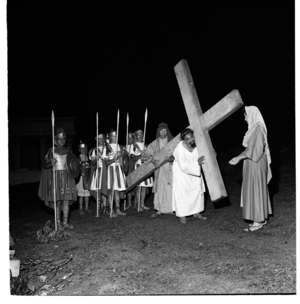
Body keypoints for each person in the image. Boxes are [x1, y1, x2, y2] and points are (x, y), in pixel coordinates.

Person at [229, 106, 272, 232]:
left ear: (252, 115)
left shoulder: (258, 128)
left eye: (245, 115)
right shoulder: (255, 128)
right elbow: (251, 148)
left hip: (256, 163)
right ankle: (260, 219)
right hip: (253, 162)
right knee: (256, 188)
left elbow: (255, 151)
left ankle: (257, 221)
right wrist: (240, 157)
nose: (245, 119)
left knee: (256, 189)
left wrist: (238, 158)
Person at [38, 128, 77, 229]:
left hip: (67, 178)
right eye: (59, 138)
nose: (62, 140)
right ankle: (58, 223)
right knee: (58, 201)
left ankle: (65, 223)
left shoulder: (69, 150)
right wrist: (50, 163)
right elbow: (45, 166)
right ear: (55, 140)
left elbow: (73, 164)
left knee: (66, 201)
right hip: (56, 179)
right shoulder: (52, 150)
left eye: (64, 138)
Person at [172, 128, 206, 224]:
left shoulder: (197, 145)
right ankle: (182, 215)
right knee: (183, 194)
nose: (191, 140)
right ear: (183, 140)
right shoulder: (179, 148)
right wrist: (196, 163)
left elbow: (203, 155)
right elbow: (183, 166)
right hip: (182, 174)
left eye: (191, 137)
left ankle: (196, 212)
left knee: (196, 191)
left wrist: (211, 154)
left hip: (194, 172)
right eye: (187, 139)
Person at [144, 122, 174, 217]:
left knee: (171, 187)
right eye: (161, 131)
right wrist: (153, 161)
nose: (163, 132)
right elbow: (145, 156)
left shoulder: (172, 142)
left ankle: (172, 208)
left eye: (165, 130)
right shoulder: (154, 144)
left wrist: (172, 159)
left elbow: (178, 153)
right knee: (160, 188)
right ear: (158, 132)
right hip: (159, 169)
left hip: (170, 167)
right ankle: (159, 209)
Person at [103, 130, 127, 217]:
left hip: (119, 170)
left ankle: (118, 209)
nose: (115, 137)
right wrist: (114, 159)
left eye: (116, 135)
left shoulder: (120, 147)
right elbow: (106, 163)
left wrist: (122, 157)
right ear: (109, 137)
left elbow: (125, 160)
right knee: (111, 190)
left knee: (117, 190)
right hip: (111, 170)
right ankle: (111, 210)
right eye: (113, 136)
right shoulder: (106, 148)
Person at [129, 129, 153, 211]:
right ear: (136, 136)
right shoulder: (133, 146)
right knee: (139, 186)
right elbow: (132, 158)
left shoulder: (146, 145)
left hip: (145, 166)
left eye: (142, 134)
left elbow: (150, 157)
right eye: (139, 135)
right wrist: (140, 155)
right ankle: (138, 205)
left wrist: (146, 156)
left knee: (144, 187)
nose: (141, 136)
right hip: (138, 167)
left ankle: (142, 204)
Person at [89, 134, 108, 214]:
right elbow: (92, 163)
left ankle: (105, 206)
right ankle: (98, 207)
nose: (101, 140)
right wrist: (95, 159)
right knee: (98, 189)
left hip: (106, 170)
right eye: (99, 139)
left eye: (103, 139)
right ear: (97, 140)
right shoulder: (94, 150)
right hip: (98, 171)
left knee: (105, 188)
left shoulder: (107, 148)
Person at [76, 141, 91, 215]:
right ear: (79, 150)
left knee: (87, 194)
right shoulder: (78, 158)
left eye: (85, 148)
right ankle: (81, 208)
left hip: (87, 178)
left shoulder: (88, 157)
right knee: (81, 195)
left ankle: (86, 208)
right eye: (82, 149)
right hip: (81, 178)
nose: (83, 150)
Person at [125, 132, 136, 208]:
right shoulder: (124, 147)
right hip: (127, 168)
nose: (129, 139)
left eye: (131, 137)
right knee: (128, 184)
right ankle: (129, 203)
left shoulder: (136, 146)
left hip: (134, 166)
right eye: (128, 138)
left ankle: (135, 202)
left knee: (136, 184)